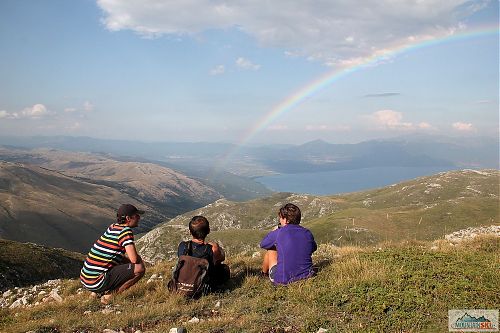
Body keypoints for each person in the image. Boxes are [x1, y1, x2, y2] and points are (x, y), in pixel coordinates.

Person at [80, 204, 146, 304]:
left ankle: (95, 293)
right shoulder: (125, 232)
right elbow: (134, 260)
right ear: (128, 218)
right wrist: (139, 260)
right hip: (96, 282)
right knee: (139, 269)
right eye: (136, 215)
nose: (139, 218)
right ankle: (110, 296)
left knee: (121, 263)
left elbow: (113, 254)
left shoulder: (112, 227)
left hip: (85, 279)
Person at [260, 203, 317, 285]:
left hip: (283, 281)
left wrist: (274, 231)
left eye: (281, 218)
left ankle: (263, 274)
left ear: (286, 220)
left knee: (271, 250)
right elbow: (313, 248)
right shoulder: (307, 232)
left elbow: (263, 244)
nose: (280, 220)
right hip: (307, 277)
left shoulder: (279, 232)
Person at [176, 215, 230, 290]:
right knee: (224, 268)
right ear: (208, 231)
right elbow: (222, 258)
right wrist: (216, 247)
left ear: (190, 232)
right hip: (203, 288)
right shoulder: (211, 248)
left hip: (182, 284)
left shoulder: (182, 246)